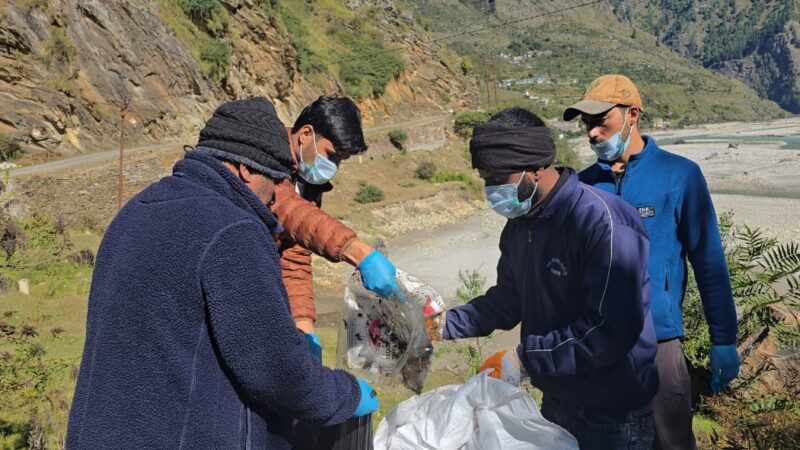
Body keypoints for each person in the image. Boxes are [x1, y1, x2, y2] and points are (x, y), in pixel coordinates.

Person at [66, 98, 379, 449]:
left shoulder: (134, 212)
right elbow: (277, 373)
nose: (275, 200)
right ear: (247, 170)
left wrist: (303, 319)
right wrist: (345, 395)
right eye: (276, 180)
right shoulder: (233, 231)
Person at [429, 107, 659, 449]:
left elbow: (611, 329)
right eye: (485, 180)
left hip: (612, 411)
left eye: (497, 179)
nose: (491, 190)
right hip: (556, 398)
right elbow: (508, 300)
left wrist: (525, 357)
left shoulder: (601, 223)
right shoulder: (520, 227)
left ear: (535, 168)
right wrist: (440, 325)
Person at [564, 74, 740, 449]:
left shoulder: (679, 175)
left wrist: (723, 338)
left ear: (632, 114)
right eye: (587, 124)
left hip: (659, 344)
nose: (592, 133)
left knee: (670, 442)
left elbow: (708, 260)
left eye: (600, 120)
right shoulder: (581, 187)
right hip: (596, 346)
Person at [269, 95, 400, 355]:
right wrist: (358, 252)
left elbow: (294, 256)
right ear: (306, 133)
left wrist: (303, 324)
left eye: (340, 160)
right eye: (331, 155)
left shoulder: (308, 183)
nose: (333, 167)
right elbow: (289, 210)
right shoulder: (265, 157)